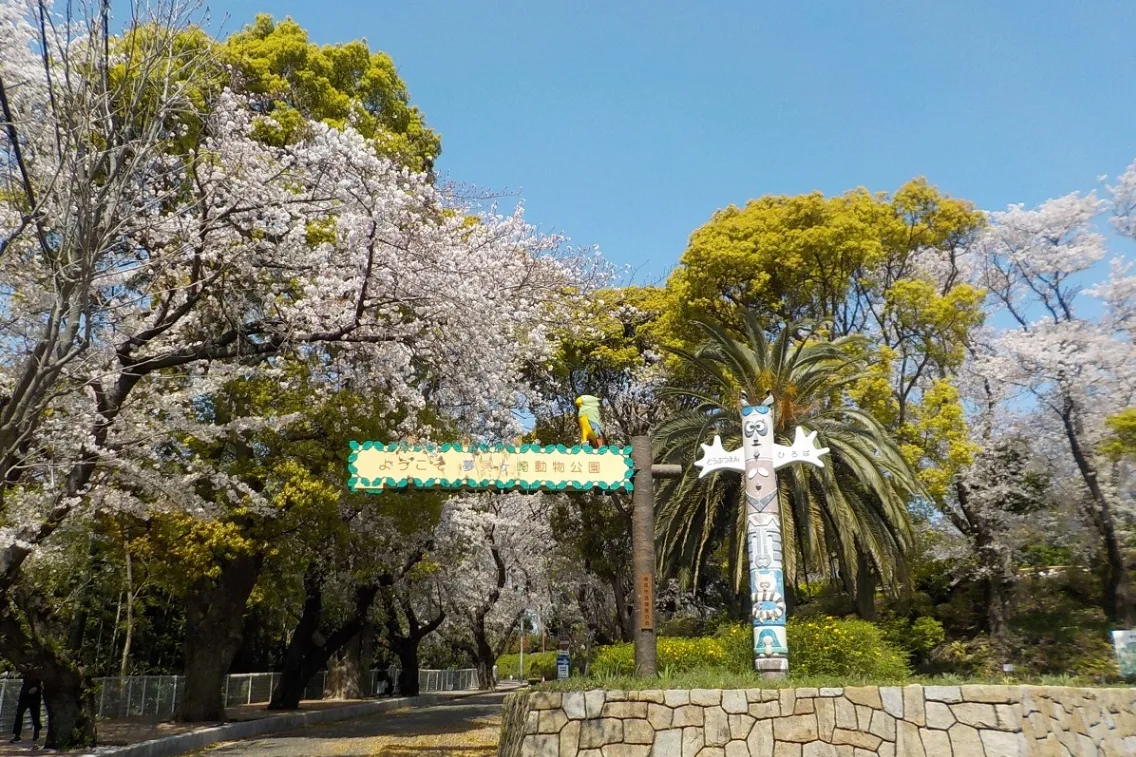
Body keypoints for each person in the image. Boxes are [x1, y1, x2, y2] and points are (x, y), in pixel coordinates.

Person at [10, 676, 42, 744]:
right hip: (25, 694)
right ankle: (17, 735)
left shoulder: (39, 669)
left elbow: (42, 680)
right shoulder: (26, 670)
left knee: (35, 714)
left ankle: (37, 730)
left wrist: (36, 687)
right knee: (19, 714)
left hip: (35, 696)